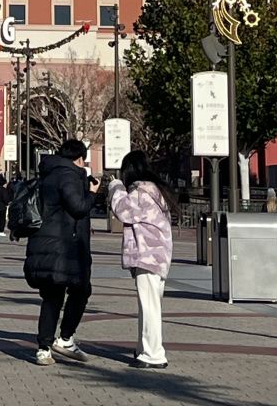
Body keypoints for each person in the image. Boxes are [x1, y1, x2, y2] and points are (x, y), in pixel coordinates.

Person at [23, 139, 98, 366]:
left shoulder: (48, 172)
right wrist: (93, 192)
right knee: (81, 289)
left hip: (44, 244)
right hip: (65, 246)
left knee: (52, 297)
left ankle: (44, 349)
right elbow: (78, 207)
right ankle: (65, 338)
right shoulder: (68, 175)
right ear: (79, 158)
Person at [108, 149, 175, 371]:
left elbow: (123, 211)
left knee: (149, 307)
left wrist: (115, 187)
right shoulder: (156, 192)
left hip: (147, 255)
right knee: (149, 305)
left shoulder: (140, 192)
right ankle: (144, 348)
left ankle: (153, 353)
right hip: (158, 256)